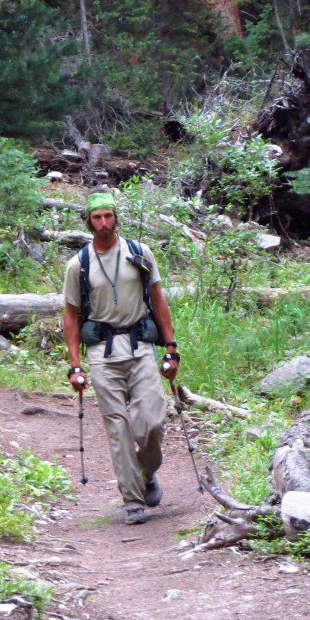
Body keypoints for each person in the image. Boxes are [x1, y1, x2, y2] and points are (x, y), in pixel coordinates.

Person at [62, 190, 180, 525]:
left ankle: (145, 474)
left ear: (116, 217)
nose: (103, 223)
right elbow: (70, 316)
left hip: (140, 346)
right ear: (88, 221)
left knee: (152, 423)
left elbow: (157, 300)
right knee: (118, 429)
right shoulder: (78, 265)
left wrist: (171, 348)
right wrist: (75, 365)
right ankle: (133, 501)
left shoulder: (140, 253)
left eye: (108, 216)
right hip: (101, 354)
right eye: (96, 217)